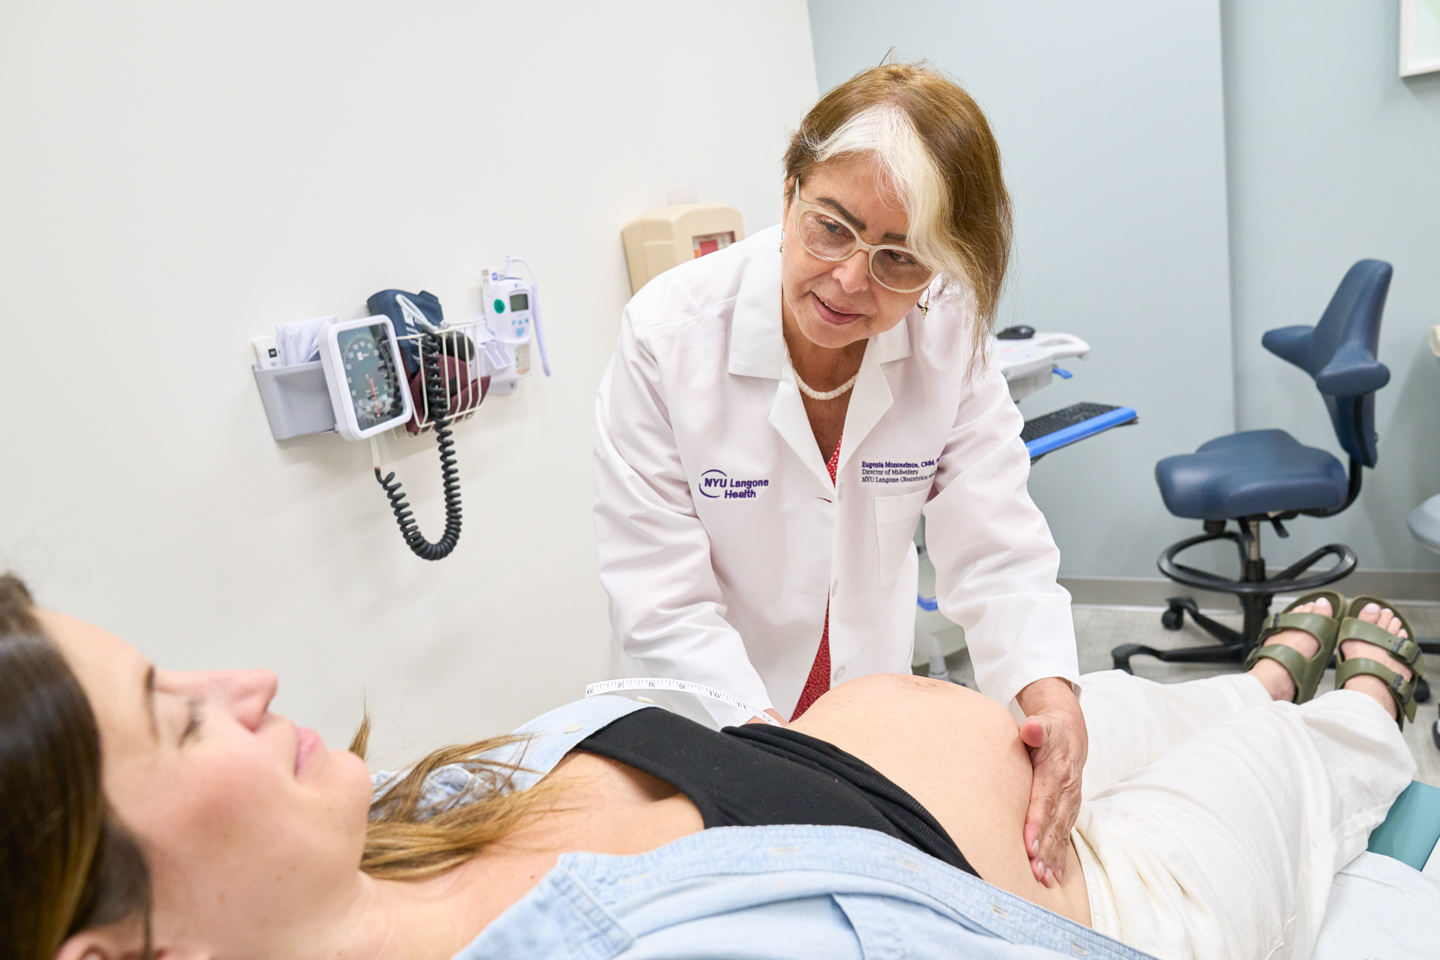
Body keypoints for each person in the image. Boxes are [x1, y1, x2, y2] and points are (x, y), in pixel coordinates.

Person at [4, 574, 1425, 960]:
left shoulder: (399, 822)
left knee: (1210, 703)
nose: (241, 683)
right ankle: (1357, 686)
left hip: (1019, 754)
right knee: (1310, 756)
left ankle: (1268, 670)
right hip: (1106, 890)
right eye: (178, 719)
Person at [594, 60, 1084, 884]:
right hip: (700, 725)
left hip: (863, 725)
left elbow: (996, 549)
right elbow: (663, 607)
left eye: (902, 259)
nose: (852, 280)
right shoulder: (667, 339)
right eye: (832, 227)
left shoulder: (949, 340)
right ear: (788, 192)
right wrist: (777, 763)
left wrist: (1052, 692)